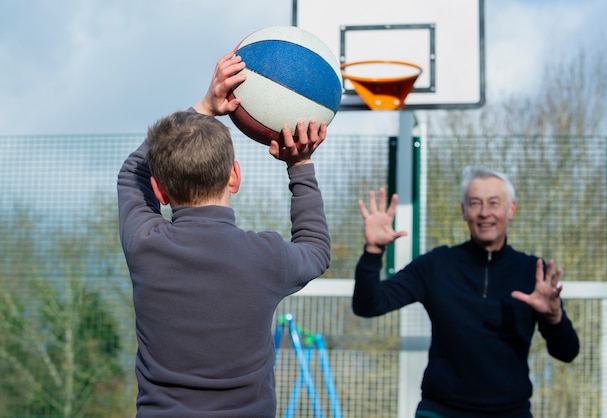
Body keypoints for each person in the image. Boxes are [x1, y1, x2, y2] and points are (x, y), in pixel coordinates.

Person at [117, 52, 331, 418]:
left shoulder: (145, 246)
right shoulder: (265, 257)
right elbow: (315, 250)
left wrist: (204, 106)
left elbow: (130, 173)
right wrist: (300, 165)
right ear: (235, 176)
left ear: (160, 191)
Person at [352, 166, 580, 418]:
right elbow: (368, 305)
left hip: (510, 412)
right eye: (475, 203)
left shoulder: (533, 273)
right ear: (463, 211)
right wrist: (373, 251)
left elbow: (567, 352)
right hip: (440, 410)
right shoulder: (437, 265)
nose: (484, 213)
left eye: (494, 203)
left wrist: (554, 318)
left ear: (511, 209)